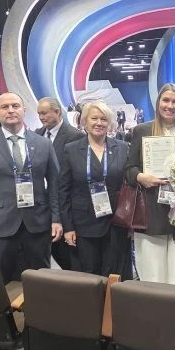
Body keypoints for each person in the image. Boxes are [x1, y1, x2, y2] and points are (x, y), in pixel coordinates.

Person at [0, 93, 62, 284]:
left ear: (24, 110)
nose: (10, 110)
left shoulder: (43, 143)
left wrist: (57, 219)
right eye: (5, 107)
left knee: (40, 283)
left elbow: (55, 185)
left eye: (15, 106)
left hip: (38, 226)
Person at [125, 83, 175, 285]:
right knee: (153, 279)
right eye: (166, 100)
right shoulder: (142, 131)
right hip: (151, 214)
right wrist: (141, 177)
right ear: (158, 102)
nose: (170, 106)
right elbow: (129, 169)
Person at [58, 101, 131, 277]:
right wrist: (68, 227)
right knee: (88, 275)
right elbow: (63, 191)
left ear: (110, 123)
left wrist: (131, 223)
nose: (99, 123)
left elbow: (129, 186)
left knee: (115, 274)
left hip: (116, 223)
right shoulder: (71, 150)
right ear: (85, 121)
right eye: (94, 118)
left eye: (103, 119)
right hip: (83, 224)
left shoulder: (122, 148)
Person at [36, 97, 85, 270]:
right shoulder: (37, 134)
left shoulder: (75, 136)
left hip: (65, 204)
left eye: (44, 113)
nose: (41, 117)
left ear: (57, 112)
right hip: (43, 205)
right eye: (39, 114)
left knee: (69, 257)